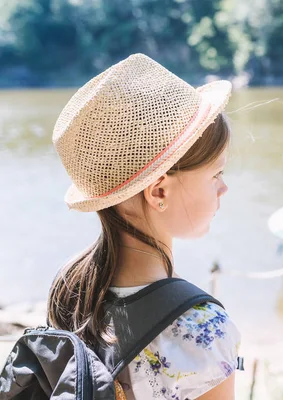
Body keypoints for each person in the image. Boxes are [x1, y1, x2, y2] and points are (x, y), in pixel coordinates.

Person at [46, 53, 240, 399]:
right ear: (159, 190)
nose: (224, 188)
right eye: (216, 174)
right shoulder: (203, 328)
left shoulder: (70, 288)